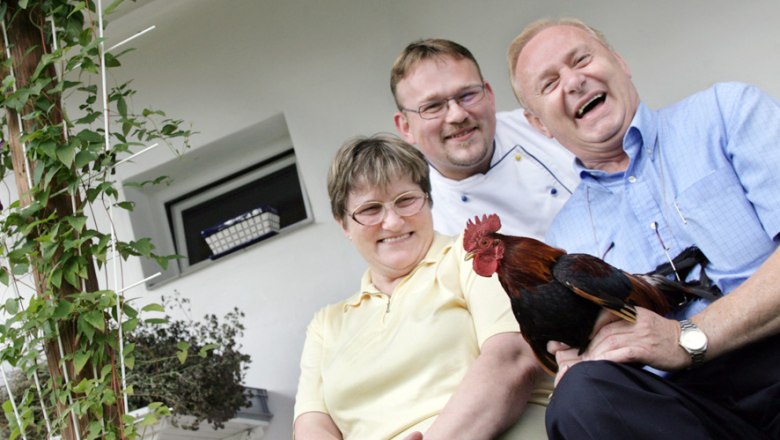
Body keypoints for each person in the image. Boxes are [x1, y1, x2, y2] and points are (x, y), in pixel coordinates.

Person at [507, 18, 780, 440]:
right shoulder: (564, 239)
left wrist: (685, 336)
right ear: (538, 124)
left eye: (581, 59)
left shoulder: (726, 112)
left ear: (619, 62)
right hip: (686, 413)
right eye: (549, 83)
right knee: (579, 396)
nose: (574, 82)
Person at [293, 134, 551, 440]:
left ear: (428, 199)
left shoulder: (472, 257)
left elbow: (512, 360)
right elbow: (311, 426)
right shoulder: (326, 324)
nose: (392, 222)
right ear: (344, 224)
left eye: (406, 200)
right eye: (371, 209)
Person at [390, 39, 579, 239]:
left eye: (467, 95)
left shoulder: (546, 126)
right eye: (433, 106)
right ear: (405, 127)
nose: (457, 115)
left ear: (489, 95)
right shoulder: (421, 219)